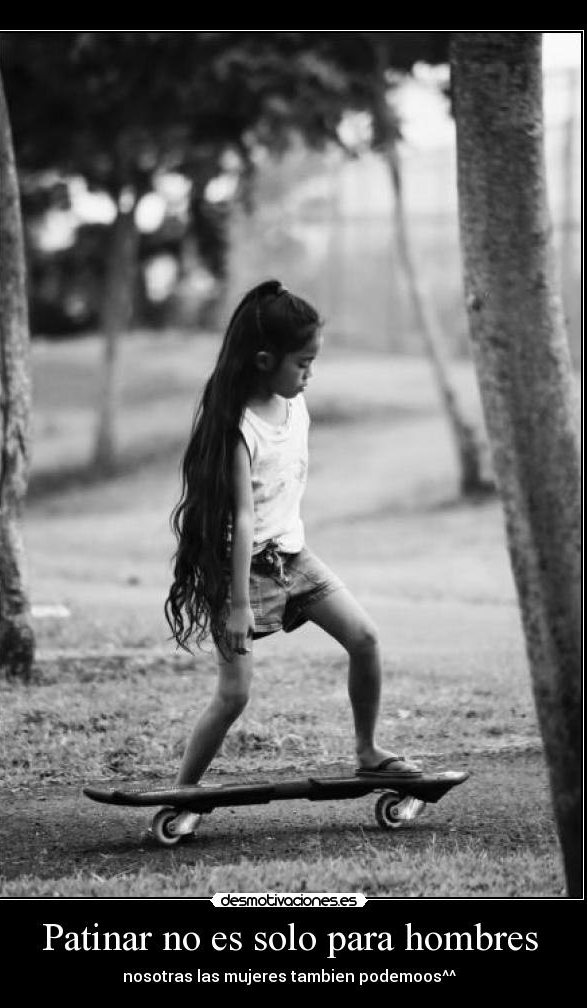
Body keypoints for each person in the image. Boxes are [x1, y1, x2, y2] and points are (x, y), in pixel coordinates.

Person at [164, 279, 421, 837]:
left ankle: (368, 749)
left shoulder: (292, 404)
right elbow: (241, 522)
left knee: (366, 639)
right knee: (233, 694)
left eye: (314, 361)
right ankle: (183, 792)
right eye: (302, 362)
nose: (310, 373)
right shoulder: (236, 427)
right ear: (263, 360)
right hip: (243, 569)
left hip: (294, 558)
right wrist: (235, 605)